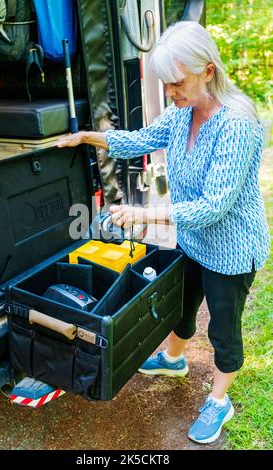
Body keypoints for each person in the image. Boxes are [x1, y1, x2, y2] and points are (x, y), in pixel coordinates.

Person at [57, 21, 270, 445]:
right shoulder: (180, 112)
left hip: (231, 249)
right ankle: (174, 359)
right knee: (179, 307)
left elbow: (213, 207)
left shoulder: (237, 124)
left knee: (222, 331)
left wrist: (144, 216)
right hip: (192, 240)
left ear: (208, 71)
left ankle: (219, 401)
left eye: (177, 83)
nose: (170, 93)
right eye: (167, 85)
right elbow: (139, 138)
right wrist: (86, 137)